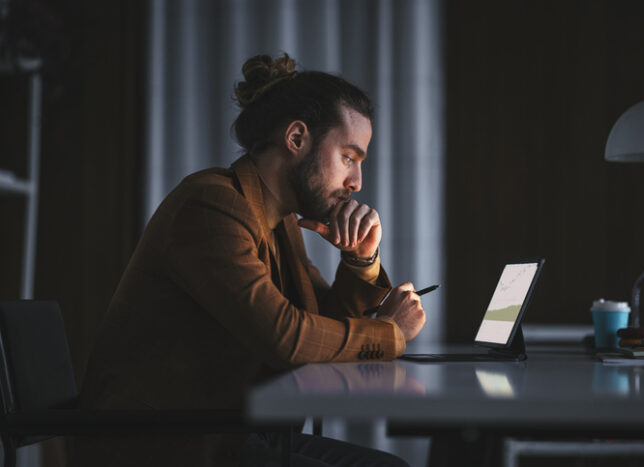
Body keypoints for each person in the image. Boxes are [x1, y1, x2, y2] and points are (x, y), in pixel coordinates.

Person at [73, 53, 426, 467]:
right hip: (164, 447)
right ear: (296, 139)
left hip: (230, 437)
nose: (357, 182)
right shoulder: (212, 205)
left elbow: (322, 322)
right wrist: (390, 334)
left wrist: (359, 261)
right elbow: (289, 340)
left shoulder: (278, 222)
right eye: (348, 158)